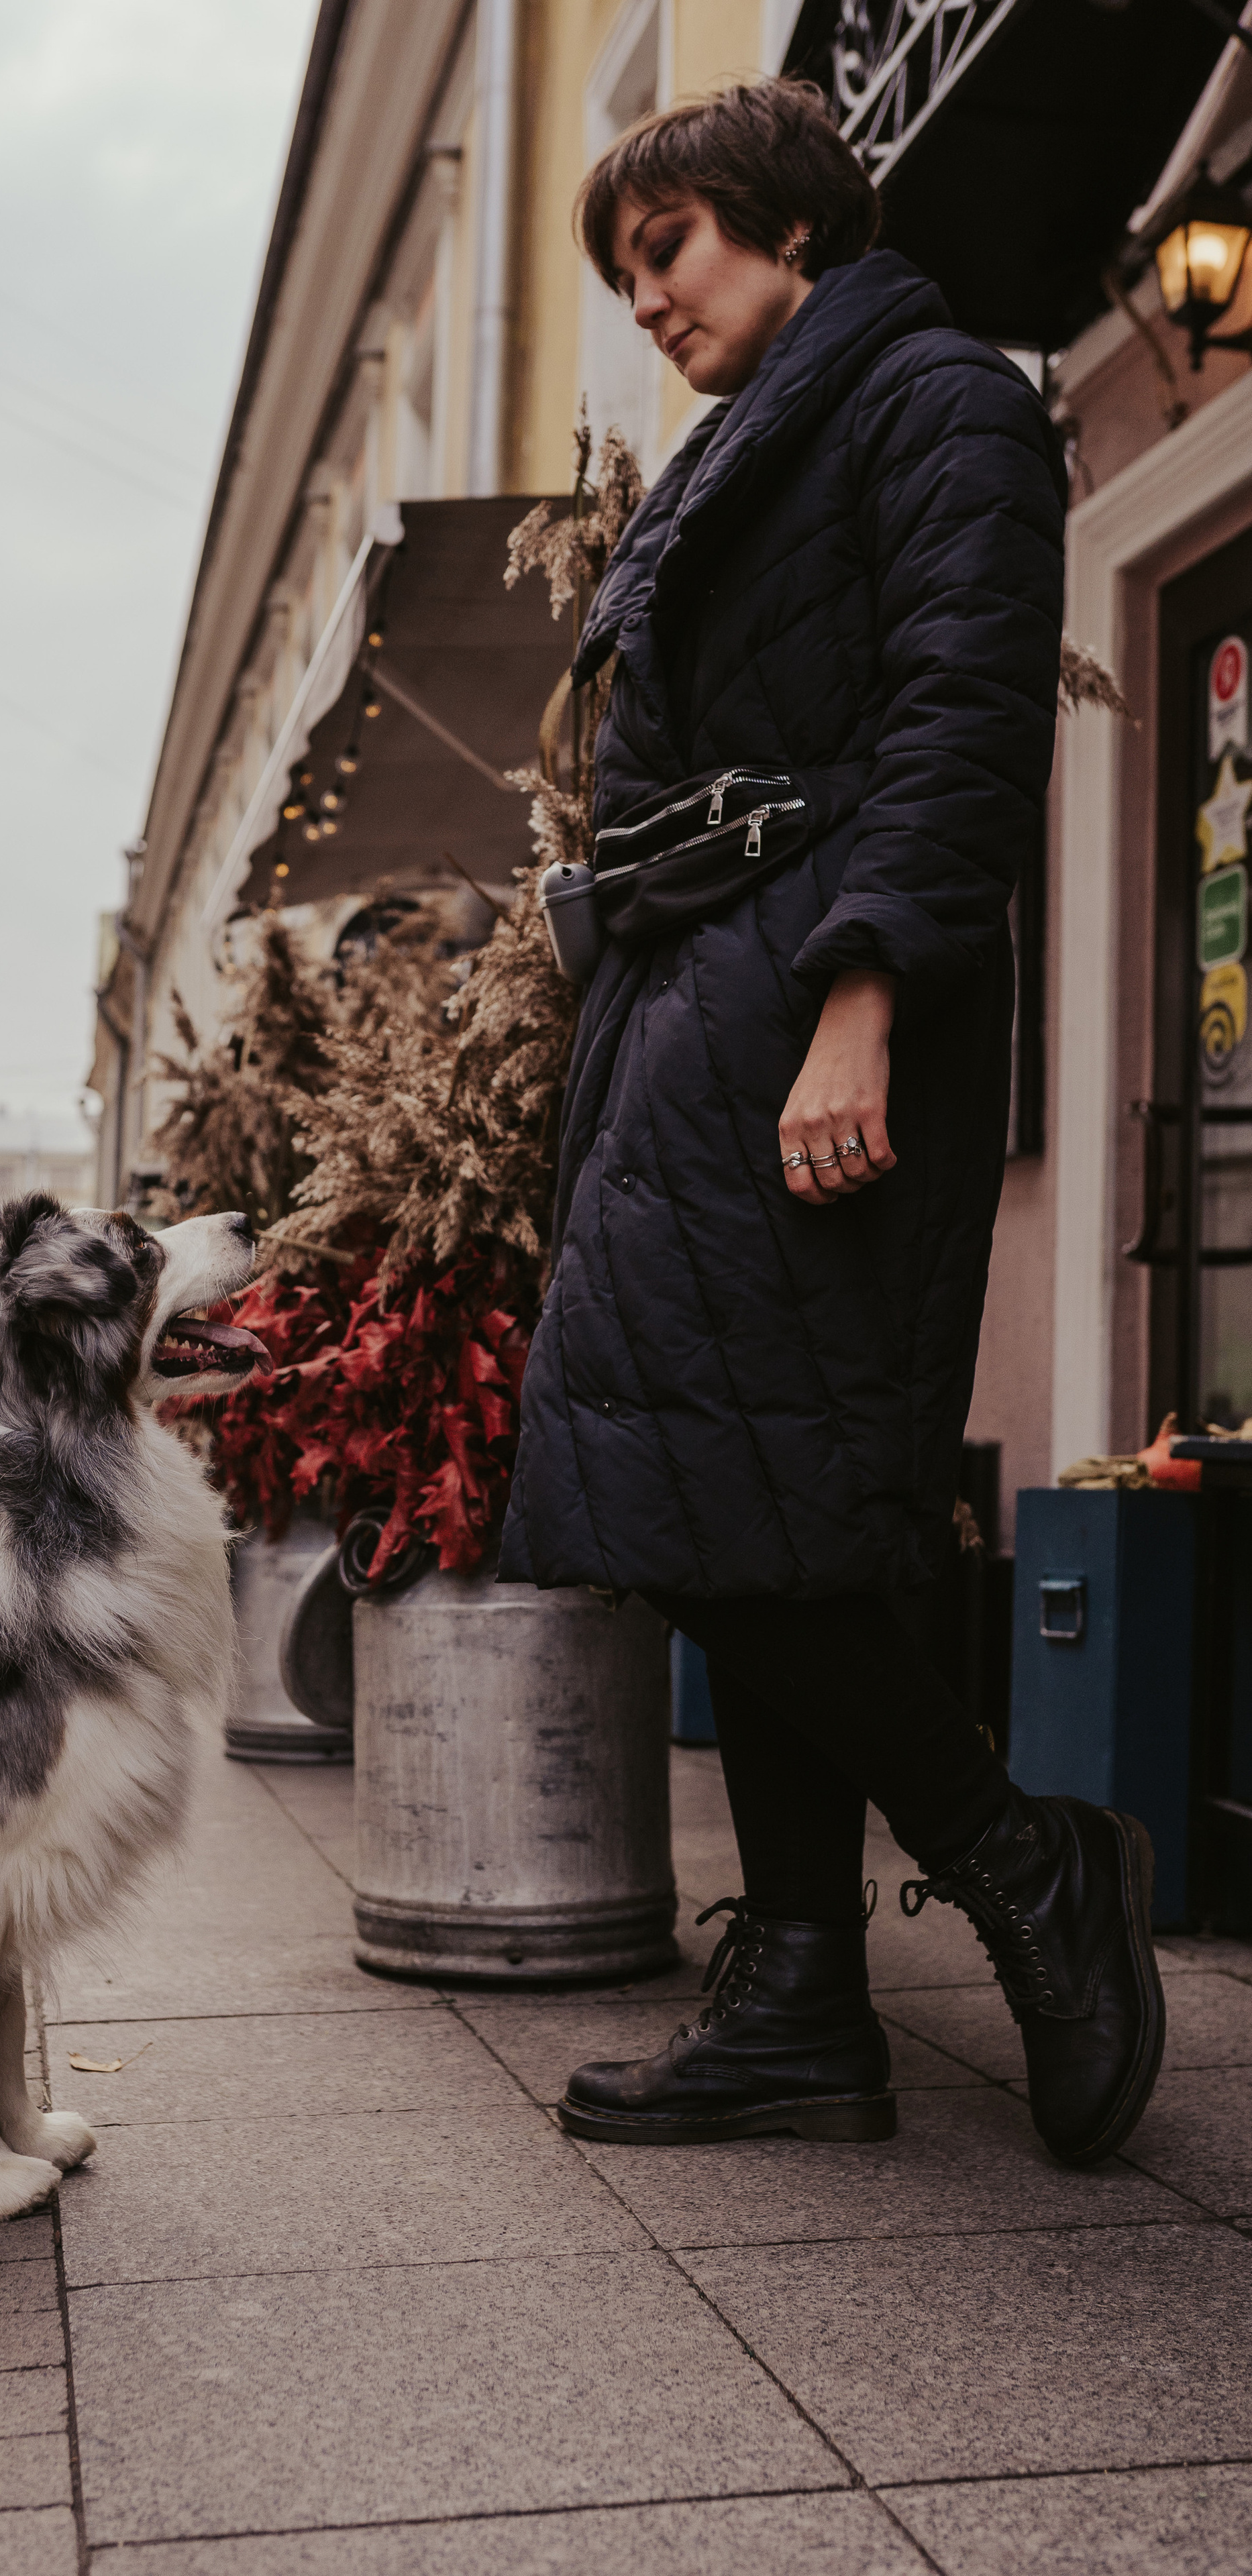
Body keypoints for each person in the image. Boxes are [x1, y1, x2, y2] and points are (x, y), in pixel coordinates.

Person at [501, 80, 1163, 2169]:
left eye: (668, 246)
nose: (649, 301)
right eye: (624, 272)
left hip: (815, 1015)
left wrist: (859, 1005)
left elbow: (961, 725)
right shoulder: (749, 450)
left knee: (752, 1491)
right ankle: (796, 1981)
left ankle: (1016, 1862)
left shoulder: (940, 400)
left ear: (787, 222)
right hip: (694, 1017)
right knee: (725, 1498)